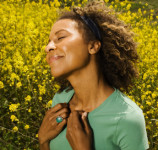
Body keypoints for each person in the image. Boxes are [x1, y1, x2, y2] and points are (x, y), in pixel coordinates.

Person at [38, 1, 149, 149]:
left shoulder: (127, 117)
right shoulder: (60, 102)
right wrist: (43, 141)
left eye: (61, 37)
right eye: (49, 42)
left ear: (92, 46)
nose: (48, 47)